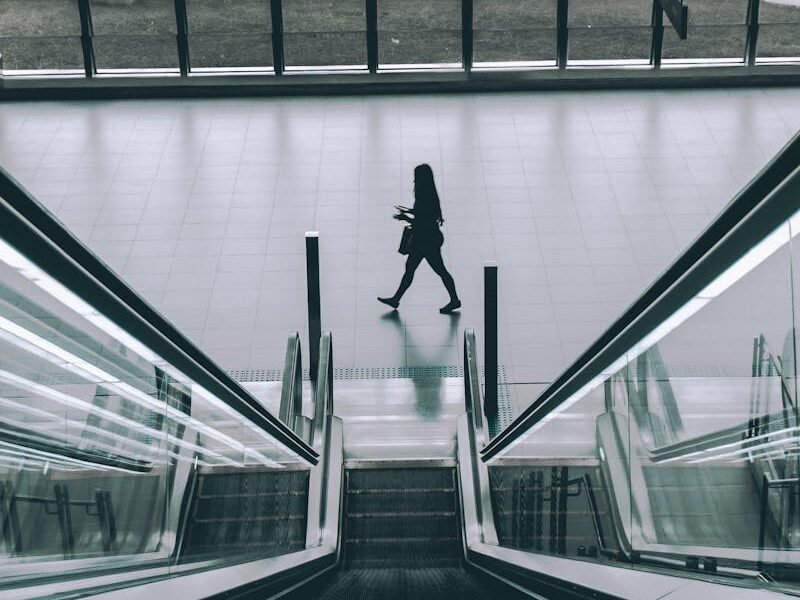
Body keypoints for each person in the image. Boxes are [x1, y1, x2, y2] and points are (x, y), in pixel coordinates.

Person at [378, 164, 461, 314]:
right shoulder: (428, 194)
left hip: (426, 241)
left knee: (432, 270)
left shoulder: (425, 196)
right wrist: (409, 211)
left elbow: (422, 221)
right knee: (415, 269)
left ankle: (454, 299)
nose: (414, 181)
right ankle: (396, 298)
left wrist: (405, 217)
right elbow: (424, 215)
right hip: (428, 239)